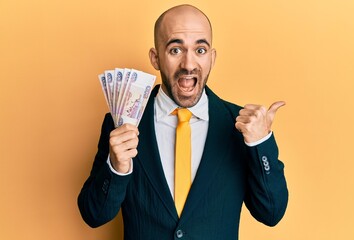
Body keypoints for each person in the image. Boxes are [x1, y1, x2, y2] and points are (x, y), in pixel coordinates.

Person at [78, 4, 288, 240]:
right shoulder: (122, 121)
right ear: (155, 58)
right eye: (176, 50)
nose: (189, 65)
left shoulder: (241, 127)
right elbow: (93, 214)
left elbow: (271, 214)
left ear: (212, 57)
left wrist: (261, 144)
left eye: (200, 50)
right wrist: (116, 168)